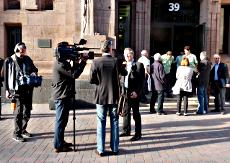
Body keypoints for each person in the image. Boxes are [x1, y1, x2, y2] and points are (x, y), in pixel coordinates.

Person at [89, 40, 127, 156]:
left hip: (101, 96)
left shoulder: (96, 62)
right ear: (110, 49)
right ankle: (115, 148)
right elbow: (124, 73)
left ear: (101, 50)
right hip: (114, 96)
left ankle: (101, 149)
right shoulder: (116, 61)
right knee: (114, 121)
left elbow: (91, 80)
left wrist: (99, 82)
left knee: (101, 122)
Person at [52, 42, 88, 152]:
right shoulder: (60, 64)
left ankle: (60, 141)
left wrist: (77, 62)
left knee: (63, 120)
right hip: (62, 96)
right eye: (67, 50)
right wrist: (83, 62)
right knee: (60, 120)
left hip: (65, 95)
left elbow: (72, 73)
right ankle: (58, 145)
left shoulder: (63, 62)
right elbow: (74, 75)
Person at [4, 42, 38, 142]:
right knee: (18, 112)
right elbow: (5, 76)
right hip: (16, 90)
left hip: (27, 89)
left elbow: (34, 69)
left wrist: (34, 72)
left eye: (24, 52)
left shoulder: (27, 59)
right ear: (17, 50)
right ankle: (16, 133)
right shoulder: (9, 60)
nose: (22, 54)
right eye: (21, 52)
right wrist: (6, 90)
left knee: (27, 111)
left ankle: (23, 129)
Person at [119, 48, 144, 141]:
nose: (127, 57)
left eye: (129, 55)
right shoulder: (123, 65)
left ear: (133, 55)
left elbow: (142, 82)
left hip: (134, 93)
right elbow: (120, 78)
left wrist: (137, 92)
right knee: (125, 112)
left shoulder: (138, 65)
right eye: (126, 55)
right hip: (124, 92)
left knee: (135, 114)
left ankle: (138, 133)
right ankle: (126, 130)